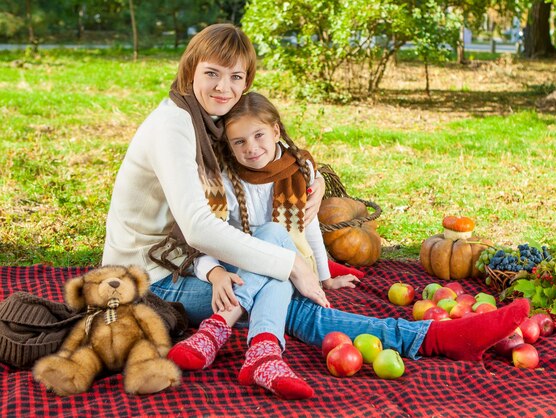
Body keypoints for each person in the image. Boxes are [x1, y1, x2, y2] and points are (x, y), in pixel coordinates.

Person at [102, 23, 530, 400]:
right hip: (151, 277)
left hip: (188, 262)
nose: (223, 87)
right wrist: (293, 265)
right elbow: (197, 226)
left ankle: (249, 343)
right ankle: (433, 339)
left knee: (271, 257)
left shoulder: (208, 119)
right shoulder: (173, 127)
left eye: (236, 77)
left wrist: (312, 181)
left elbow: (268, 155)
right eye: (211, 73)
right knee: (288, 299)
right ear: (189, 69)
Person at [166, 91, 359, 399]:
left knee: (274, 236)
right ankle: (264, 355)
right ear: (228, 145)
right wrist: (213, 272)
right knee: (274, 256)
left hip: (295, 269)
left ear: (276, 131)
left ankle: (217, 328)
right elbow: (202, 237)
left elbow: (309, 229)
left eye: (259, 135)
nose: (251, 148)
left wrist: (325, 278)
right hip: (243, 267)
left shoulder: (299, 170)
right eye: (239, 142)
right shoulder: (224, 178)